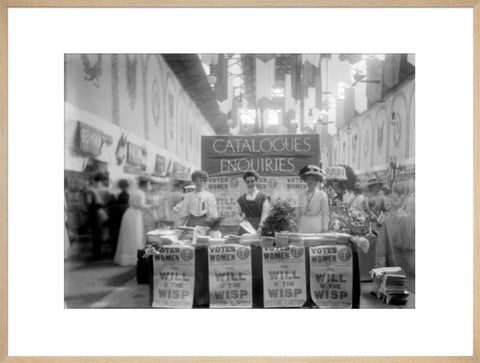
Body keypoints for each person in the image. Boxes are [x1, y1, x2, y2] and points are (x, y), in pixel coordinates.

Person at [114, 187, 149, 266]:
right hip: (135, 215)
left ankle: (125, 257)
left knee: (127, 237)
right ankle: (134, 257)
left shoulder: (133, 192)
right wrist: (150, 207)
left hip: (128, 214)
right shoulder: (141, 193)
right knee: (136, 235)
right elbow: (141, 205)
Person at [84, 172, 115, 260]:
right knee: (105, 232)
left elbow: (89, 203)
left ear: (95, 180)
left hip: (95, 213)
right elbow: (111, 201)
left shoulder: (90, 190)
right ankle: (106, 252)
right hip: (106, 213)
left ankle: (97, 254)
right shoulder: (107, 189)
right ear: (102, 180)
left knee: (96, 234)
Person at [297, 165, 329, 233]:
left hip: (316, 224)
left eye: (312, 179)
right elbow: (298, 212)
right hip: (303, 224)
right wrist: (297, 225)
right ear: (306, 181)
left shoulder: (322, 195)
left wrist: (325, 227)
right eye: (308, 179)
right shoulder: (301, 195)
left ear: (317, 181)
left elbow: (325, 213)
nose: (310, 181)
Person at [236, 171, 270, 235]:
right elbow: (237, 214)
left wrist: (261, 227)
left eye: (252, 181)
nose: (250, 184)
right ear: (245, 182)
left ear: (256, 181)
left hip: (258, 228)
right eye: (248, 182)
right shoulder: (241, 199)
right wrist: (241, 220)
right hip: (245, 228)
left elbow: (264, 214)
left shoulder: (263, 197)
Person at [109, 179, 130, 257]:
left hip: (117, 217)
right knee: (121, 235)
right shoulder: (127, 194)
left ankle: (115, 252)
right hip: (124, 216)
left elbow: (112, 205)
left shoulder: (116, 194)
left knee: (116, 235)